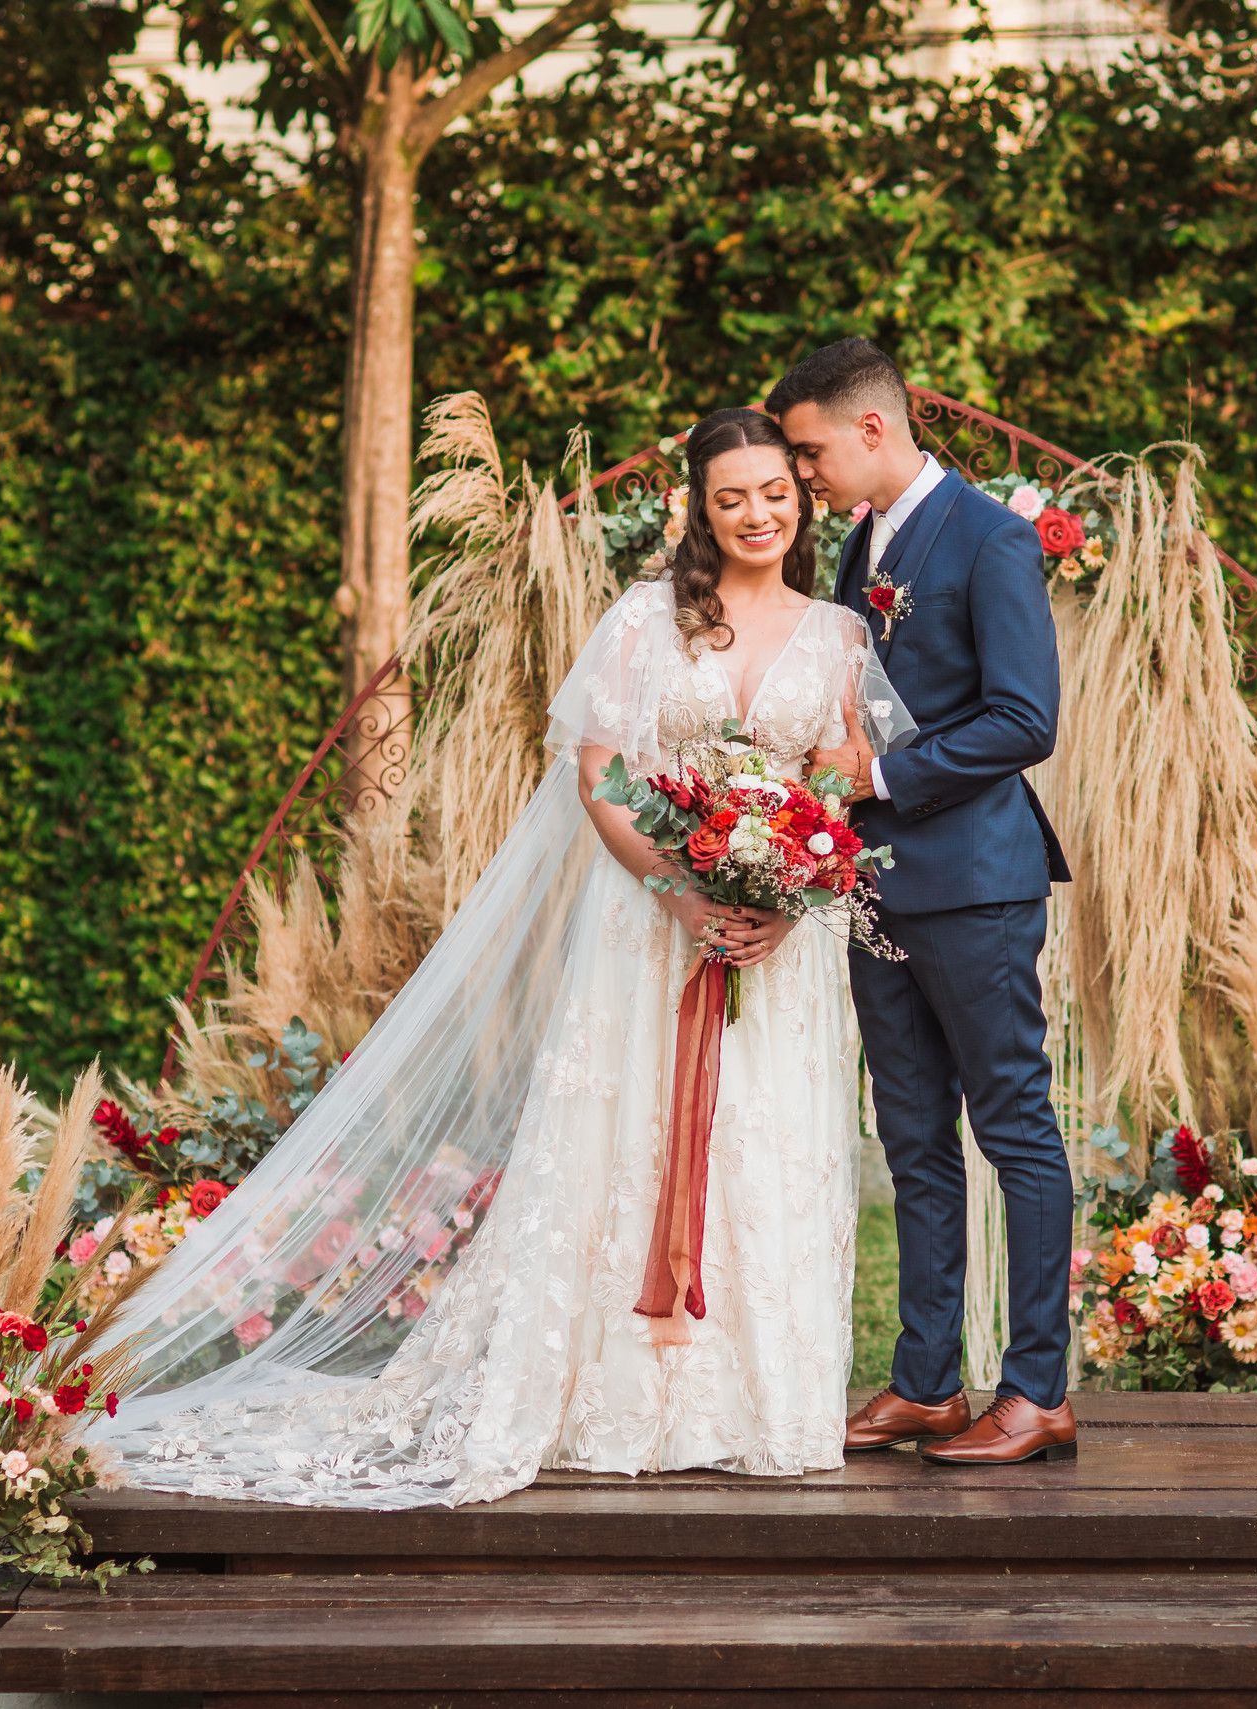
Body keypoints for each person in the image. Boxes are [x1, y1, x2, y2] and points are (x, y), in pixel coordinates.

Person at [95, 408, 915, 1506]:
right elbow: (601, 774)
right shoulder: (642, 621)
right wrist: (679, 890)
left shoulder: (839, 636)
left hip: (777, 952)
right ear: (699, 510)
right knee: (626, 1141)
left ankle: (755, 1404)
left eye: (774, 491)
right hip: (647, 929)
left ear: (801, 498)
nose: (757, 513)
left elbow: (833, 782)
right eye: (731, 497)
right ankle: (609, 1398)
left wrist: (786, 893)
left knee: (764, 1151)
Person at [774, 337, 1080, 1466]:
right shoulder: (862, 547)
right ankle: (926, 1383)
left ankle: (1038, 1389)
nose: (801, 473)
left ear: (869, 427)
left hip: (978, 886)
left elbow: (1024, 718)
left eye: (808, 450)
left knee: (1012, 1129)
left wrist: (883, 777)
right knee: (910, 1138)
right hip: (877, 887)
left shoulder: (992, 537)